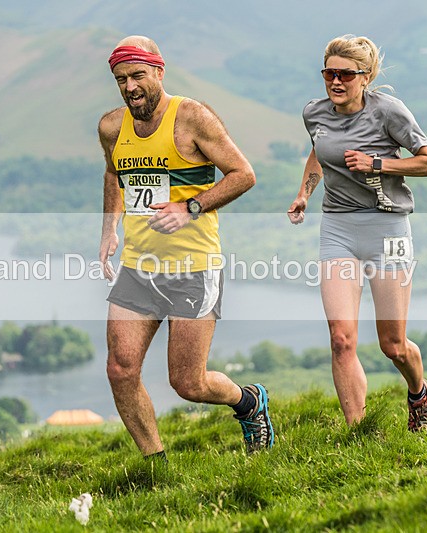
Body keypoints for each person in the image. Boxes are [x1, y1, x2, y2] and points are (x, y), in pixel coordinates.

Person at [98, 35, 274, 458]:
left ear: (159, 71)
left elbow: (243, 174)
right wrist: (109, 228)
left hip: (194, 266)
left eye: (138, 75)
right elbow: (113, 173)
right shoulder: (110, 126)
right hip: (139, 266)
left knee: (188, 383)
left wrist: (189, 207)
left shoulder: (192, 117)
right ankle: (155, 464)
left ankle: (249, 403)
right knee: (121, 370)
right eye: (121, 79)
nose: (130, 87)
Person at [287, 35, 427, 431]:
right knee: (341, 339)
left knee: (393, 345)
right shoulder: (314, 113)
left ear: (366, 76)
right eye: (329, 73)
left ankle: (418, 393)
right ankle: (359, 431)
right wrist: (304, 193)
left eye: (346, 75)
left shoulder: (389, 112)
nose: (336, 82)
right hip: (337, 228)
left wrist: (378, 164)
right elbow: (318, 151)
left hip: (387, 228)